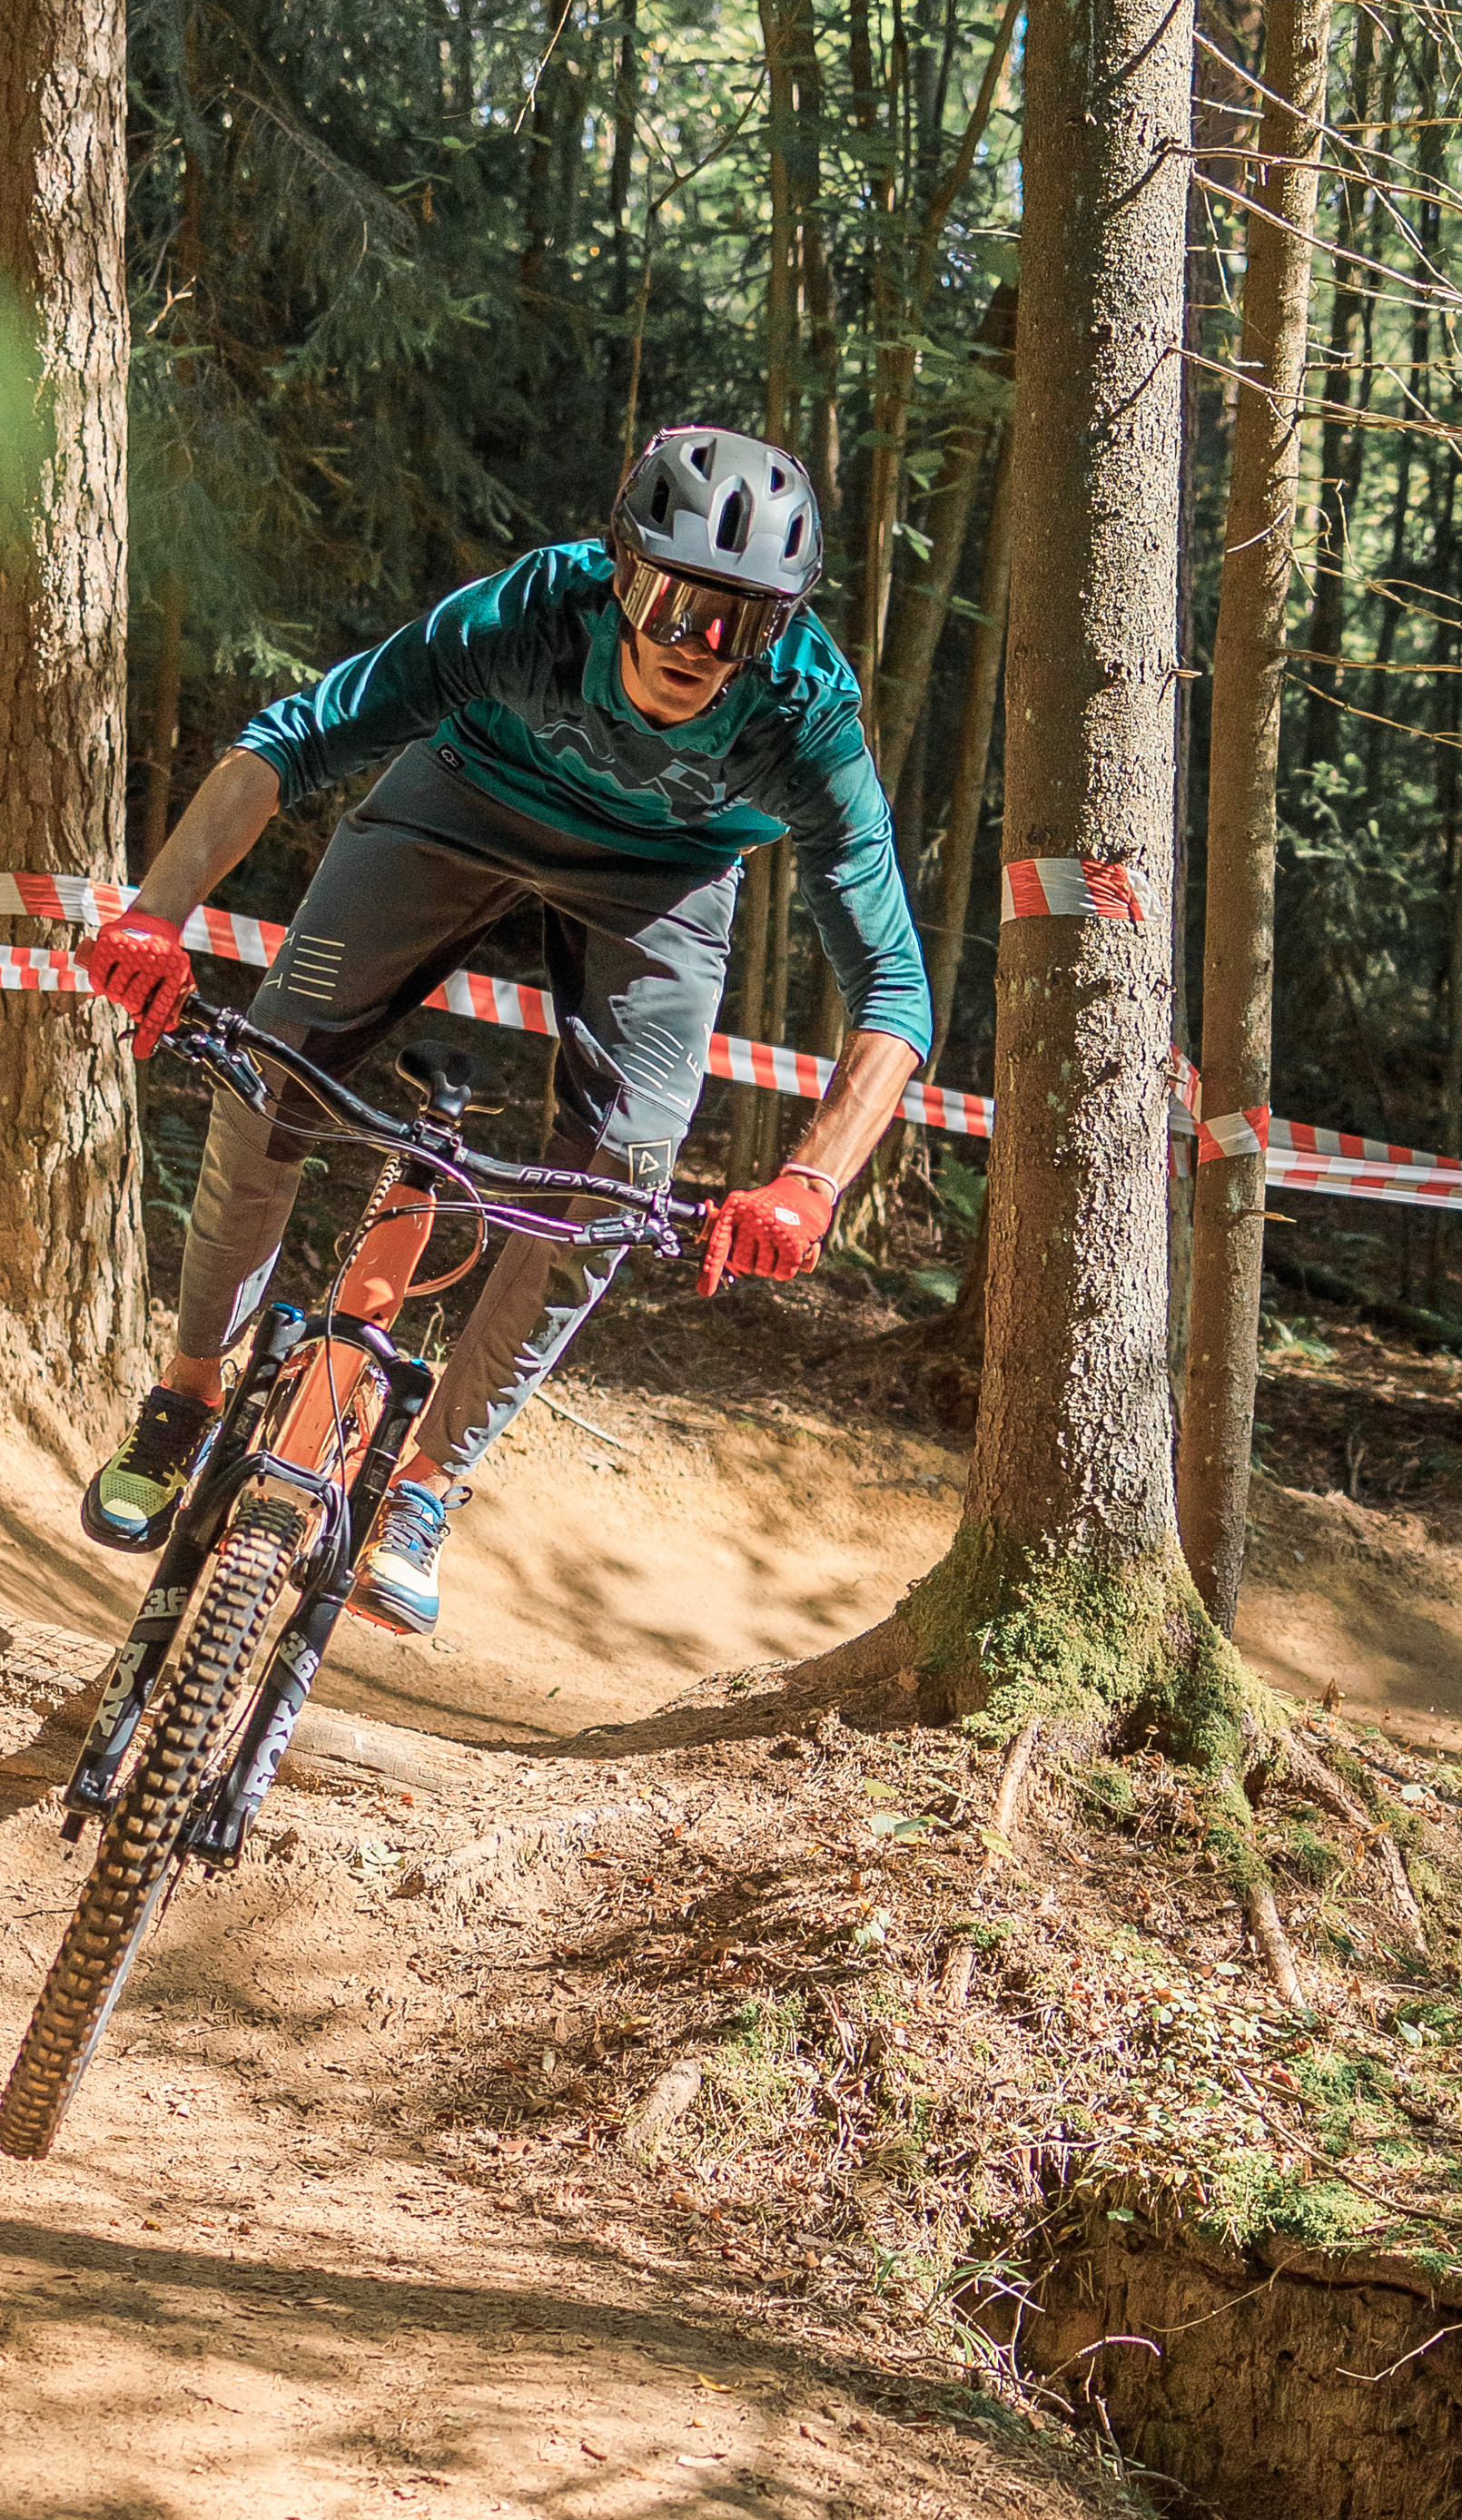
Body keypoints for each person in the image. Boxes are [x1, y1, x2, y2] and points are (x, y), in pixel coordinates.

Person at [76, 424, 931, 1639]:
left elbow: (892, 988)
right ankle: (188, 1392)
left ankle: (424, 1487)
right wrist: (157, 915)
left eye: (739, 622)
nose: (697, 646)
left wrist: (812, 1182)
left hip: (668, 880)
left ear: (781, 629)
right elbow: (294, 739)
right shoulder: (525, 613)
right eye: (674, 601)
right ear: (618, 571)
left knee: (621, 1183)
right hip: (461, 803)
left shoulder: (805, 719)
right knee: (270, 1071)